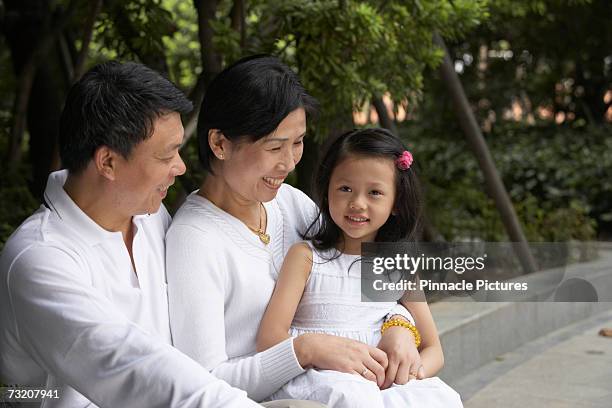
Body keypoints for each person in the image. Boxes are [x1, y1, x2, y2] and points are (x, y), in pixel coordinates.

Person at [0, 61, 263, 407]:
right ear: (108, 162)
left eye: (298, 141)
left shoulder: (150, 216)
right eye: (167, 155)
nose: (181, 167)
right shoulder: (40, 259)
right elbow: (133, 366)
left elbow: (354, 250)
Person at [166, 55, 418, 403]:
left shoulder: (289, 202)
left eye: (297, 142)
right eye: (274, 147)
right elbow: (205, 383)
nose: (288, 162)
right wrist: (305, 350)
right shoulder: (193, 241)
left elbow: (350, 277)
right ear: (220, 144)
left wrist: (399, 323)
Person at [255, 128, 463, 407]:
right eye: (345, 189)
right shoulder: (306, 258)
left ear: (396, 203)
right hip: (323, 378)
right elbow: (270, 339)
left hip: (384, 383)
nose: (357, 203)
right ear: (327, 189)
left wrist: (412, 373)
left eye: (375, 192)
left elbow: (433, 349)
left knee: (441, 399)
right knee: (356, 398)